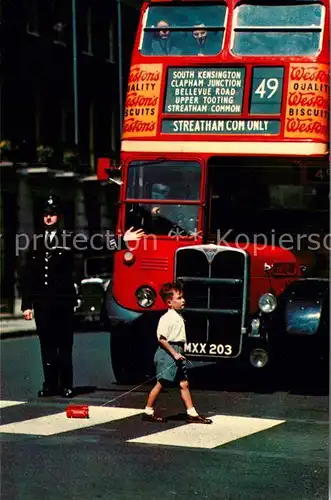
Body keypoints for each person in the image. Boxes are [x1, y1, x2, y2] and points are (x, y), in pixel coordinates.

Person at [22, 195, 145, 398]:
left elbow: (95, 244)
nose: (48, 218)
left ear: (59, 217)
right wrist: (27, 305)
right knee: (47, 345)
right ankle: (50, 384)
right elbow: (29, 275)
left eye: (52, 215)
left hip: (63, 302)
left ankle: (66, 385)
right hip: (43, 303)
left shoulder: (69, 240)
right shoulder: (35, 242)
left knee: (64, 344)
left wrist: (123, 242)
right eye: (45, 214)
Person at [142, 281, 212, 424]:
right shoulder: (166, 318)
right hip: (168, 353)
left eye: (182, 297)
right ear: (169, 302)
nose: (183, 300)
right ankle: (148, 411)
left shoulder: (178, 316)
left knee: (183, 383)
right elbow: (162, 339)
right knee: (161, 382)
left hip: (178, 351)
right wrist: (174, 354)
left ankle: (191, 413)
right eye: (179, 298)